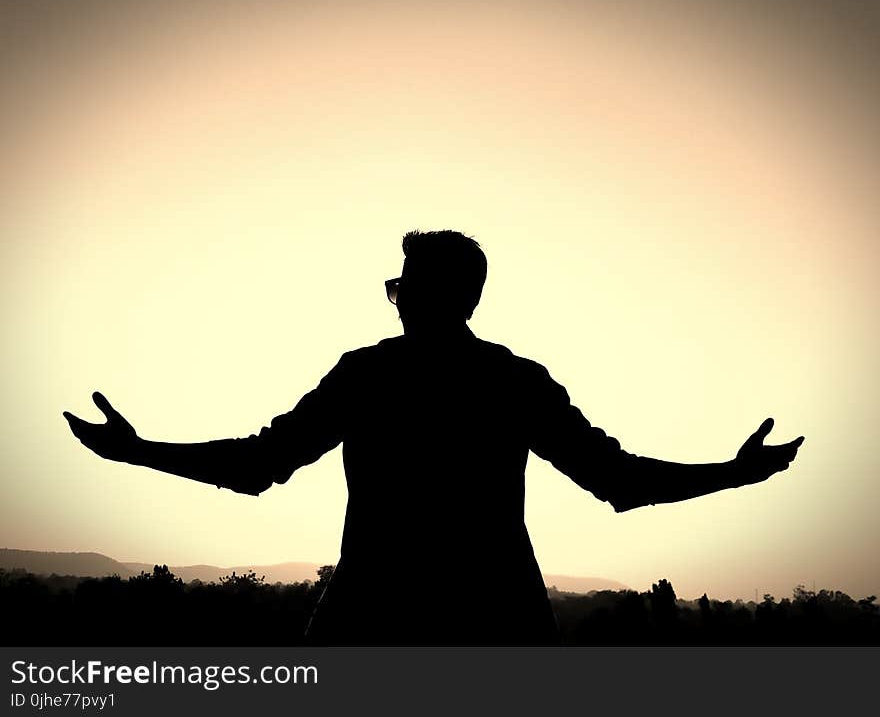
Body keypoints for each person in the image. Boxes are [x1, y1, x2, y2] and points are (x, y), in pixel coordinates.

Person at [63, 230, 804, 645]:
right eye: (399, 287)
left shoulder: (374, 376)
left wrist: (138, 452)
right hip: (488, 618)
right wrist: (731, 475)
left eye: (407, 286)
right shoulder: (505, 381)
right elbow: (620, 481)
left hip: (382, 620)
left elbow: (260, 465)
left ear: (453, 296)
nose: (400, 298)